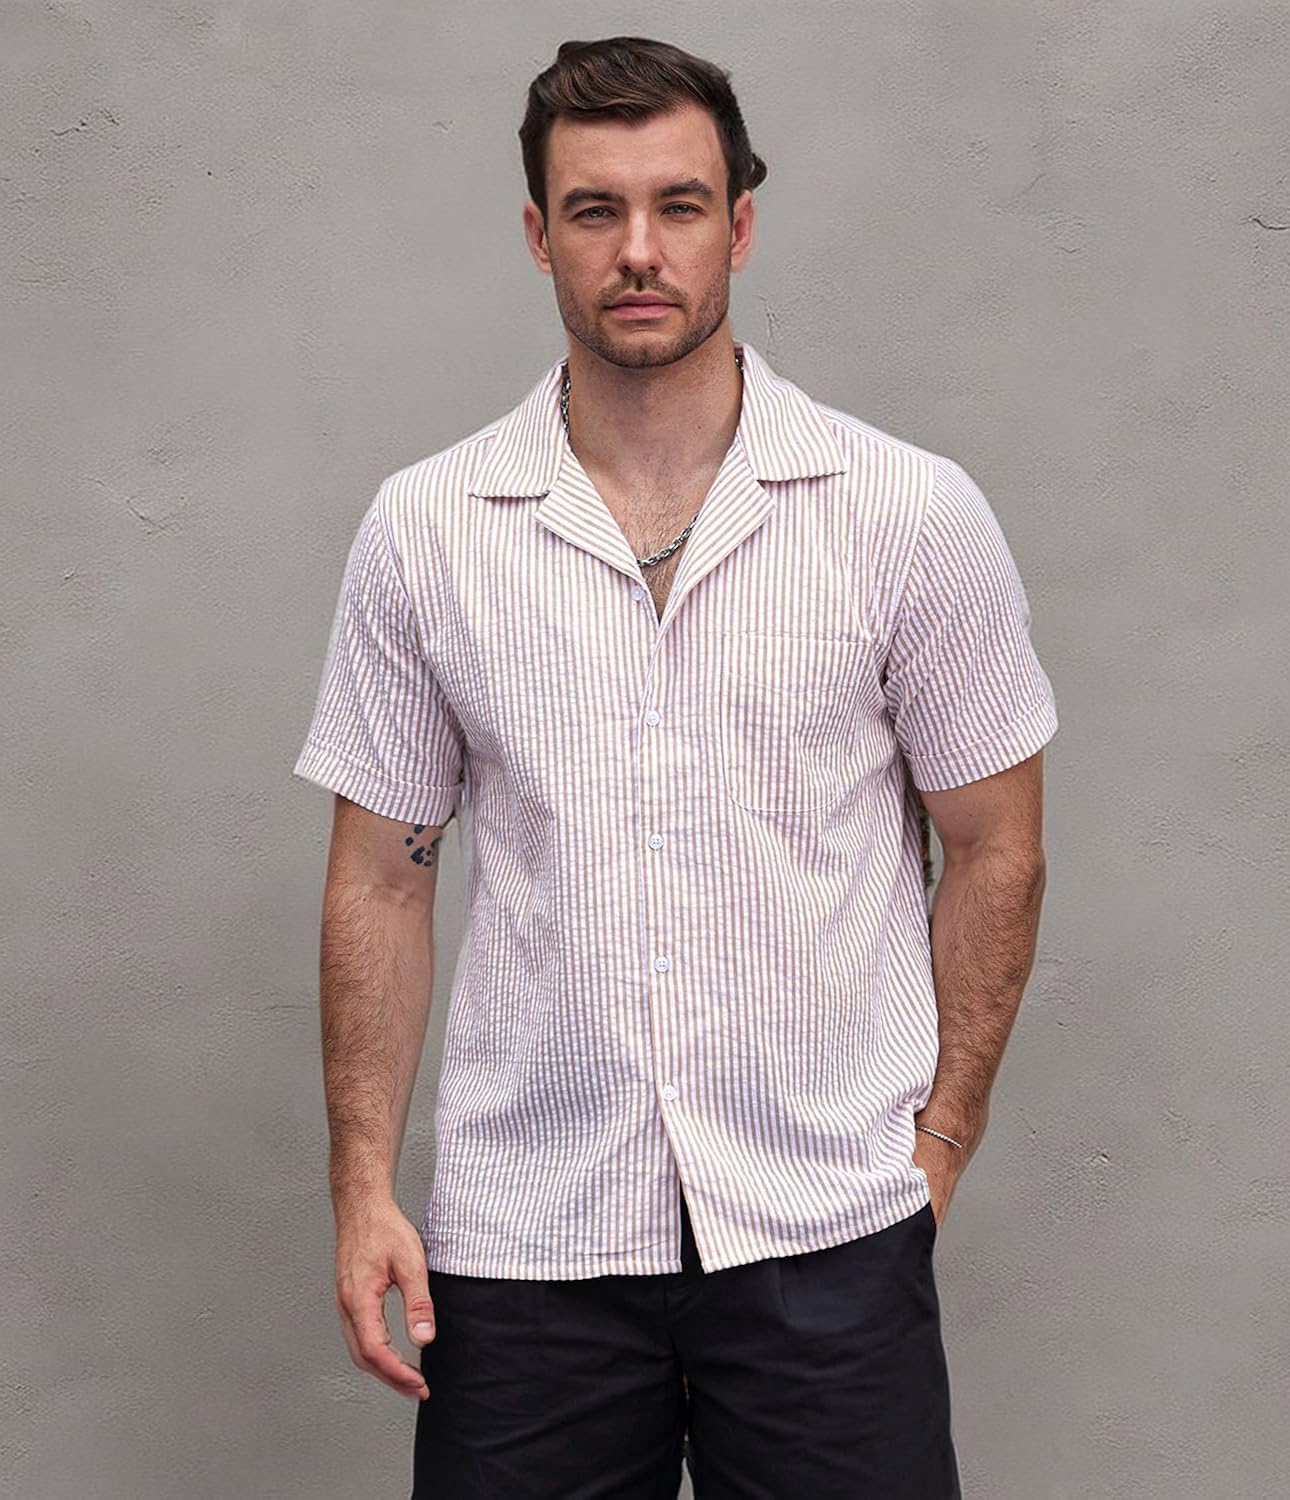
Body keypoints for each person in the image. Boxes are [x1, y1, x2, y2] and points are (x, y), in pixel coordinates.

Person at [292, 34, 1058, 1500]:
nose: (638, 250)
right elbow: (379, 880)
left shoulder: (907, 514)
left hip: (827, 1231)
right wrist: (362, 1188)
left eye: (679, 205)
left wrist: (940, 1145)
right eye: (595, 210)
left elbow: (994, 846)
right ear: (539, 236)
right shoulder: (427, 528)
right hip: (528, 1244)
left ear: (739, 226)